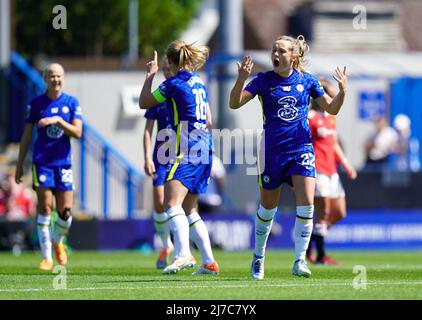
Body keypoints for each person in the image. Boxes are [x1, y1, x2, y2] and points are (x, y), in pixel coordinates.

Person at [229, 35, 348, 279]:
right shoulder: (262, 80)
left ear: (293, 57)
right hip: (272, 152)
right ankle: (259, 257)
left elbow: (332, 108)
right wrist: (241, 79)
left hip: (301, 149)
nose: (276, 54)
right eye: (274, 50)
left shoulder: (307, 80)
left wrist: (343, 91)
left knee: (307, 204)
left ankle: (299, 261)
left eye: (282, 51)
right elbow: (234, 104)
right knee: (267, 208)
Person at [139, 41, 220, 275]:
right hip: (206, 149)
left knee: (170, 204)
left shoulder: (173, 84)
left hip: (189, 151)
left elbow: (144, 102)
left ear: (171, 62)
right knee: (189, 209)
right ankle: (209, 262)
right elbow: (209, 120)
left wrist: (150, 75)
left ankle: (183, 254)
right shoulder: (198, 81)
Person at [15, 63, 83, 271]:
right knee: (45, 207)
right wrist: (19, 165)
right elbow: (27, 136)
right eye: (52, 76)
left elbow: (78, 133)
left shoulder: (71, 102)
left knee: (65, 213)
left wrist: (58, 121)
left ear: (64, 78)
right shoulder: (36, 104)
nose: (56, 79)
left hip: (63, 163)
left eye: (59, 76)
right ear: (45, 79)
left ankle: (57, 241)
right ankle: (46, 257)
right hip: (42, 162)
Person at [306, 77, 357, 265]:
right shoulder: (310, 117)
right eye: (327, 91)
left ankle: (309, 240)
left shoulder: (330, 118)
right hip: (317, 170)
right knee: (324, 214)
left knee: (340, 212)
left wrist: (345, 164)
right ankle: (320, 256)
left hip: (332, 171)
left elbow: (333, 143)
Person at [143, 58, 175, 269]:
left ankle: (185, 249)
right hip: (161, 156)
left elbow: (206, 120)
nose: (166, 72)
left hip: (184, 154)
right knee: (159, 200)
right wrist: (146, 157)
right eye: (163, 69)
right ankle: (167, 245)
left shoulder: (185, 90)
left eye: (168, 68)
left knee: (185, 204)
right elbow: (147, 130)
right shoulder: (159, 96)